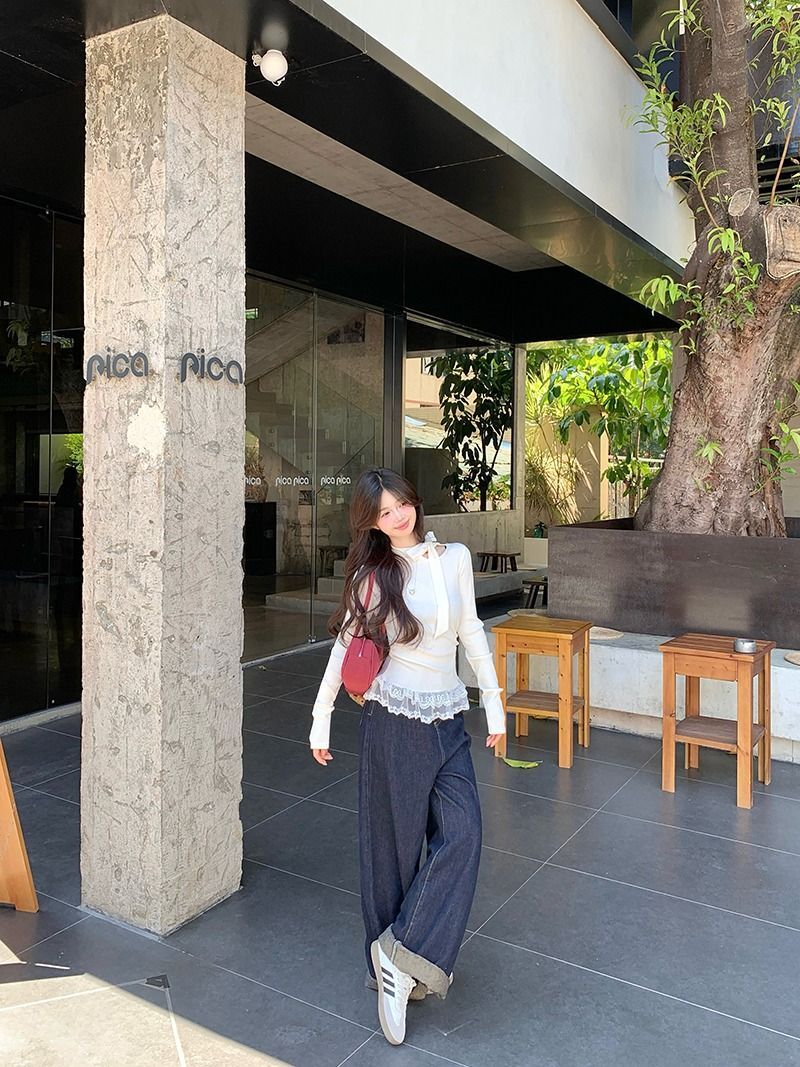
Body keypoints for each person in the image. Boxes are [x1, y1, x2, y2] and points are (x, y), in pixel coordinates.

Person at [309, 467, 506, 1046]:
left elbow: (472, 632)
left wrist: (495, 705)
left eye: (401, 504)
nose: (397, 517)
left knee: (464, 833)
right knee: (390, 854)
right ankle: (390, 977)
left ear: (414, 502)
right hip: (393, 721)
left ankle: (399, 952)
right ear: (371, 522)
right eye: (384, 512)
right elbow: (345, 645)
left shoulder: (455, 558)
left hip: (448, 718)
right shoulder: (375, 575)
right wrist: (321, 716)